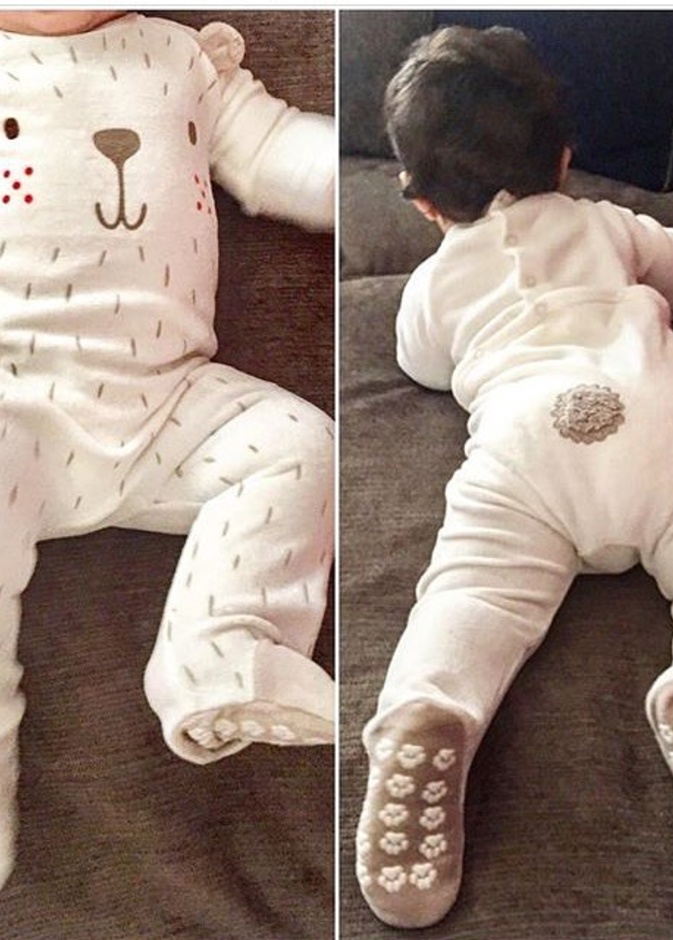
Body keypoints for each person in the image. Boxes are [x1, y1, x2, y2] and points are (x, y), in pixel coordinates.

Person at [0, 9, 334, 890]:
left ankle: (219, 655)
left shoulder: (180, 55)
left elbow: (275, 152)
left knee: (298, 443)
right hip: (10, 401)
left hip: (169, 400)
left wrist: (397, 170)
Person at [355, 24, 673, 929]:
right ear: (565, 159)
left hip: (525, 445)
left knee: (472, 594)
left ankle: (429, 711)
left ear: (418, 201)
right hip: (650, 412)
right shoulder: (604, 224)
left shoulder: (434, 285)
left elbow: (420, 364)